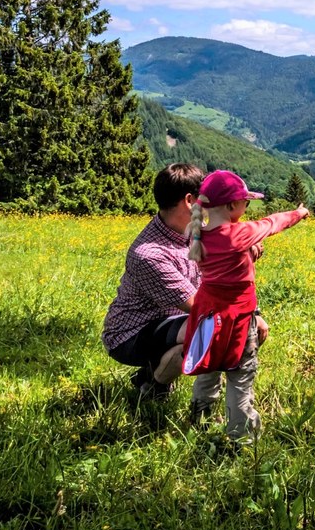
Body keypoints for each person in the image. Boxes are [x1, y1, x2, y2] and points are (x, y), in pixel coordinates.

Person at [102, 163, 268, 400]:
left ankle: (158, 374)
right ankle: (154, 385)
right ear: (190, 201)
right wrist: (249, 317)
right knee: (213, 329)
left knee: (219, 328)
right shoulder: (150, 254)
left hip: (171, 319)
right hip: (130, 335)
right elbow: (203, 306)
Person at [183, 169, 309, 440]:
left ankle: (198, 423)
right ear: (231, 206)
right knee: (240, 377)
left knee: (208, 369)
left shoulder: (197, 234)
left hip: (206, 317)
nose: (247, 208)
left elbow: (224, 263)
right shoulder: (239, 234)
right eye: (246, 203)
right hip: (237, 319)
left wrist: (248, 254)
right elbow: (273, 223)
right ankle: (240, 437)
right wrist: (299, 213)